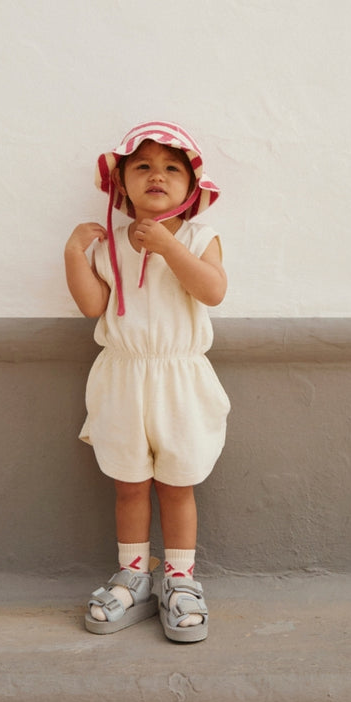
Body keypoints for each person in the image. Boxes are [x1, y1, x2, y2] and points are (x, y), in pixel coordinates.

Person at [64, 121, 230, 643]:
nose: (157, 175)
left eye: (171, 168)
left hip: (179, 379)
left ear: (192, 186)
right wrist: (73, 255)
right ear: (122, 183)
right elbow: (93, 305)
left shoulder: (200, 238)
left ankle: (180, 579)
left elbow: (212, 291)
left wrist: (168, 247)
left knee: (178, 483)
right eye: (143, 166)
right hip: (123, 377)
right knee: (129, 483)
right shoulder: (110, 244)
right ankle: (133, 575)